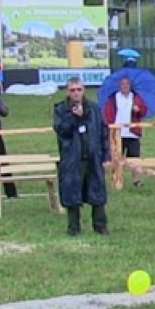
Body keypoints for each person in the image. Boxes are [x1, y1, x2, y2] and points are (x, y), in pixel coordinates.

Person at [54, 77, 109, 236]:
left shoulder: (94, 108)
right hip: (72, 158)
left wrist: (106, 155)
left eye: (79, 89)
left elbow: (103, 132)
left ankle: (100, 226)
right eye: (72, 90)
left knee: (97, 192)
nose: (76, 93)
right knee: (72, 193)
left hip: (93, 156)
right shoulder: (61, 109)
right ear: (67, 91)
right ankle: (73, 228)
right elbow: (61, 130)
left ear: (83, 90)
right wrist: (74, 117)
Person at [104, 75, 147, 186]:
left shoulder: (136, 97)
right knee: (116, 157)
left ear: (130, 85)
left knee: (134, 158)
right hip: (117, 133)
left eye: (127, 84)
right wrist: (110, 127)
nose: (125, 86)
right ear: (119, 86)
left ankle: (136, 180)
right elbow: (107, 114)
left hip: (132, 133)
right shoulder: (113, 98)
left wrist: (138, 110)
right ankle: (117, 179)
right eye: (123, 84)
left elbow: (144, 111)